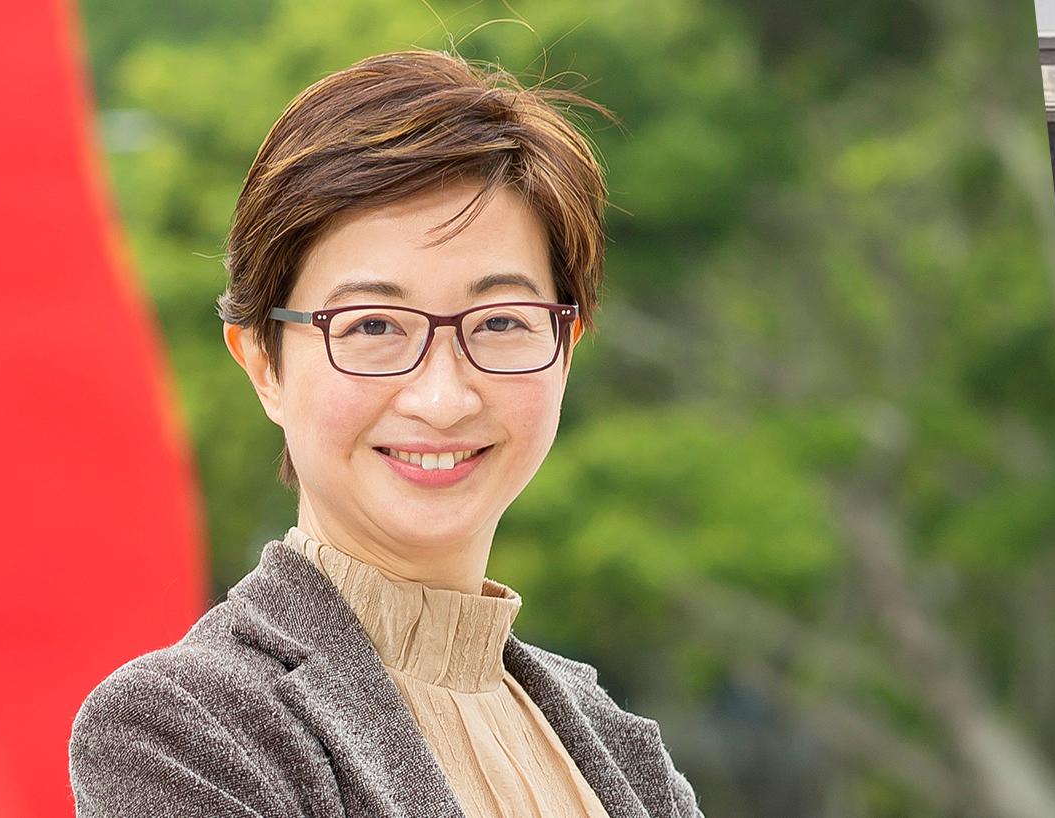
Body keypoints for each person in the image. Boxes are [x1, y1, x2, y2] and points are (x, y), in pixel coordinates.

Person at [68, 50, 700, 818]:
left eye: (500, 321)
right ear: (263, 362)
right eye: (372, 325)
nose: (442, 397)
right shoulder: (186, 731)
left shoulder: (619, 751)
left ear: (566, 348)